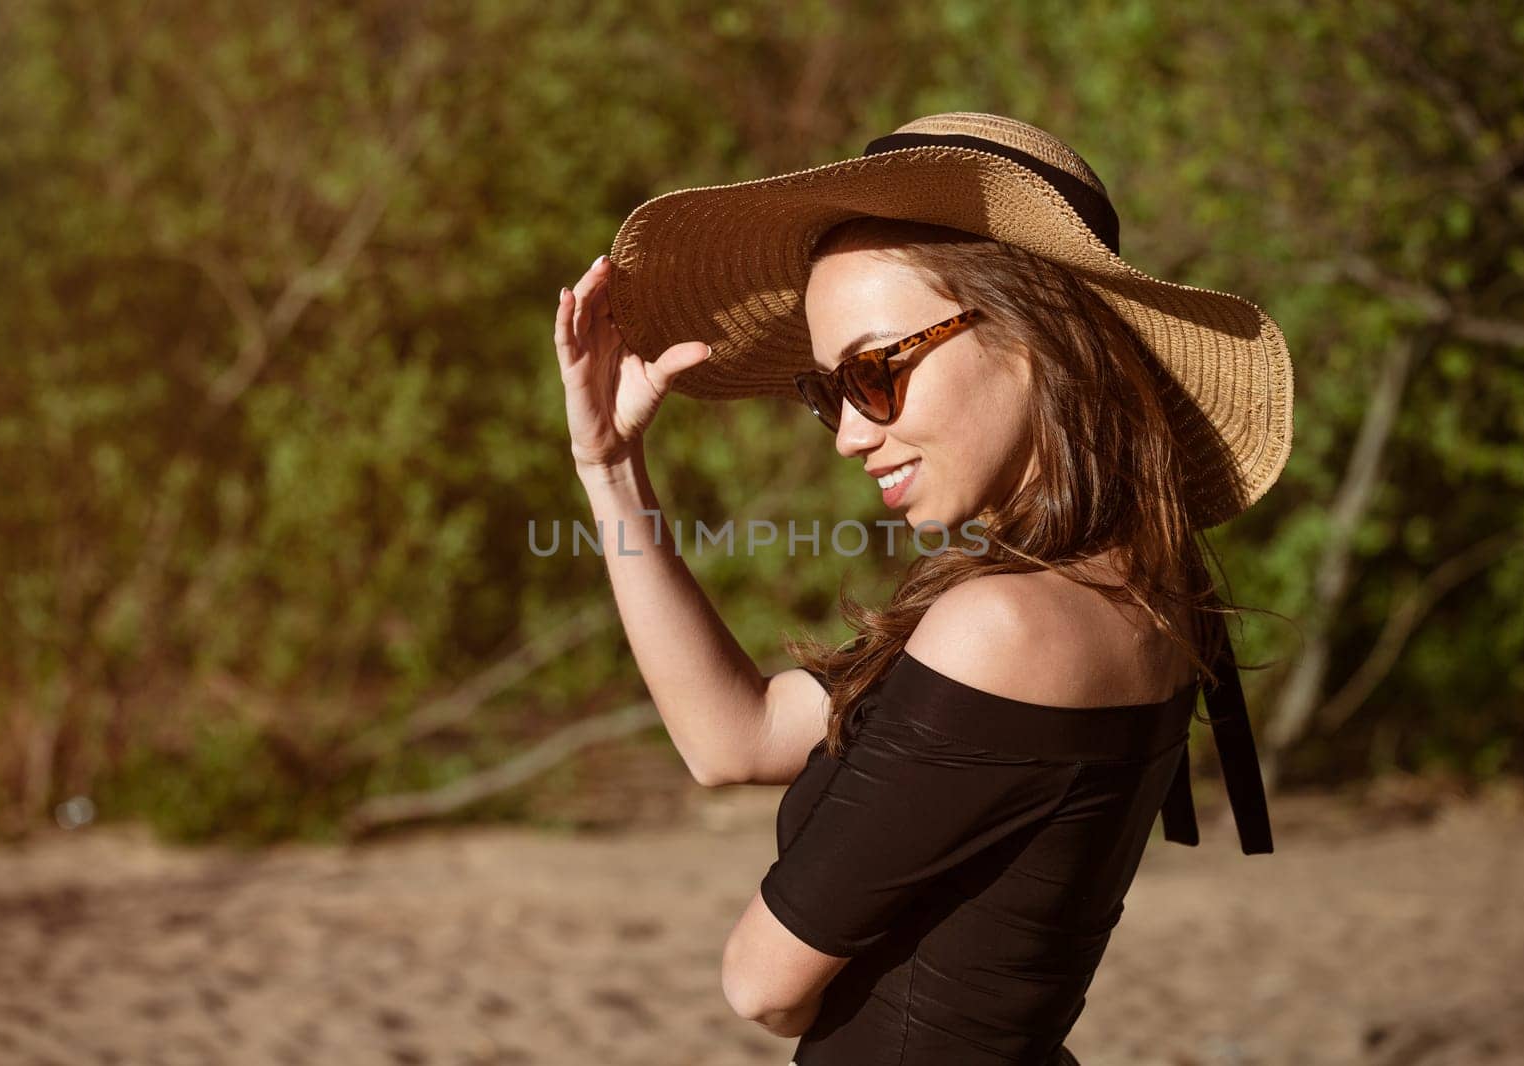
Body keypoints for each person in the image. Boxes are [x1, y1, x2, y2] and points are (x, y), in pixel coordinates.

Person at [551, 112, 1290, 1065]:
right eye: (827, 393)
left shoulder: (1008, 627)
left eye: (873, 371)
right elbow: (733, 738)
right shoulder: (1116, 594)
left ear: (1033, 333)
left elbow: (760, 984)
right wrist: (610, 470)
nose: (850, 435)